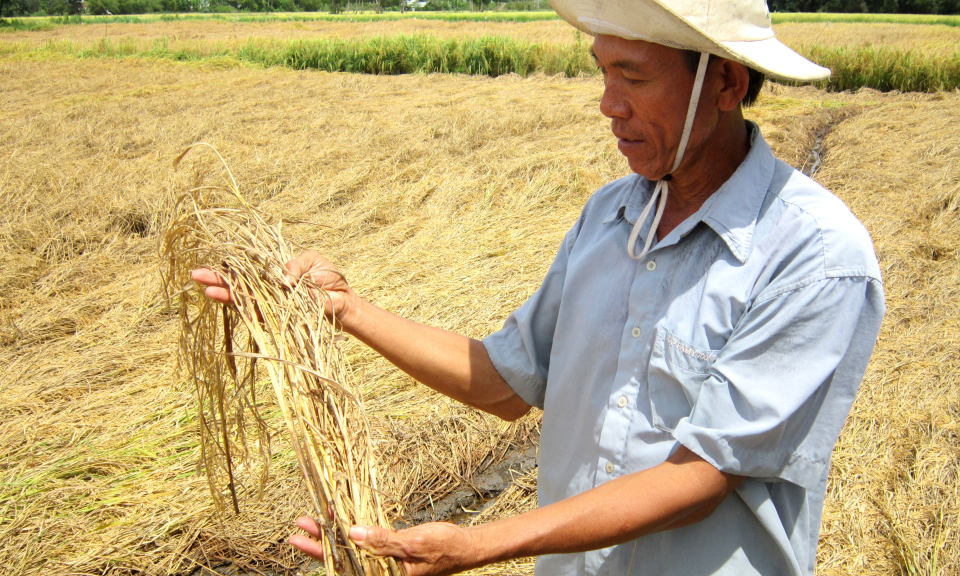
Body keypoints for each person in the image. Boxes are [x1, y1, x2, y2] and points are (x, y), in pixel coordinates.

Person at [193, 0, 885, 574]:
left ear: (726, 83)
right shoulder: (610, 217)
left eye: (634, 77)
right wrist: (338, 308)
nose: (608, 105)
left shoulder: (815, 255)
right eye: (602, 72)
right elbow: (502, 381)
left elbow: (700, 478)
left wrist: (476, 544)